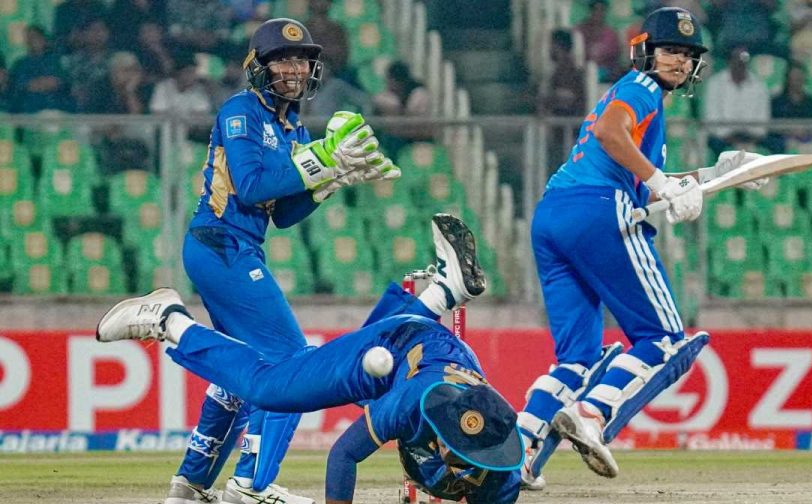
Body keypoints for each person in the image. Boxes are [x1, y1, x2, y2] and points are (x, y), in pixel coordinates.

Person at [96, 214, 524, 504]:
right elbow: (344, 455)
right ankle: (170, 320)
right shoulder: (411, 402)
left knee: (340, 365)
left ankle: (445, 291)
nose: (460, 470)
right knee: (272, 388)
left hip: (429, 353)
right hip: (390, 354)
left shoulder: (504, 461)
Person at [515, 7, 766, 490]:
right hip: (595, 211)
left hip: (553, 214)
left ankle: (518, 455)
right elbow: (614, 138)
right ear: (646, 51)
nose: (678, 61)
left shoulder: (636, 100)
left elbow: (649, 183)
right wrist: (660, 184)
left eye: (687, 54)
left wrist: (715, 174)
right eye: (670, 49)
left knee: (577, 359)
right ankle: (592, 413)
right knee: (665, 338)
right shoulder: (640, 87)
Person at [157, 17, 398, 504]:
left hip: (234, 248)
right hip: (219, 243)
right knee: (290, 361)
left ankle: (191, 483)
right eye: (282, 59)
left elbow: (284, 213)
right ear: (258, 67)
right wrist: (320, 161)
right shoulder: (240, 111)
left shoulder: (292, 125)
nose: (294, 67)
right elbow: (251, 186)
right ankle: (250, 484)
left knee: (243, 371)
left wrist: (332, 180)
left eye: (302, 59)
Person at [703, 45, 771, 155]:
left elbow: (763, 119)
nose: (740, 63)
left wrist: (751, 139)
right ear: (729, 61)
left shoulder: (759, 85)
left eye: (744, 60)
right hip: (723, 137)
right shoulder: (715, 83)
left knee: (775, 146)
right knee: (713, 146)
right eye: (737, 59)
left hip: (751, 136)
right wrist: (730, 139)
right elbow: (712, 118)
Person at [573, 0, 621, 82]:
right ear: (590, 11)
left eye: (601, 10)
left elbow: (616, 58)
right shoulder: (580, 31)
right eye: (595, 9)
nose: (598, 13)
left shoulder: (611, 34)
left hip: (606, 77)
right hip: (582, 75)